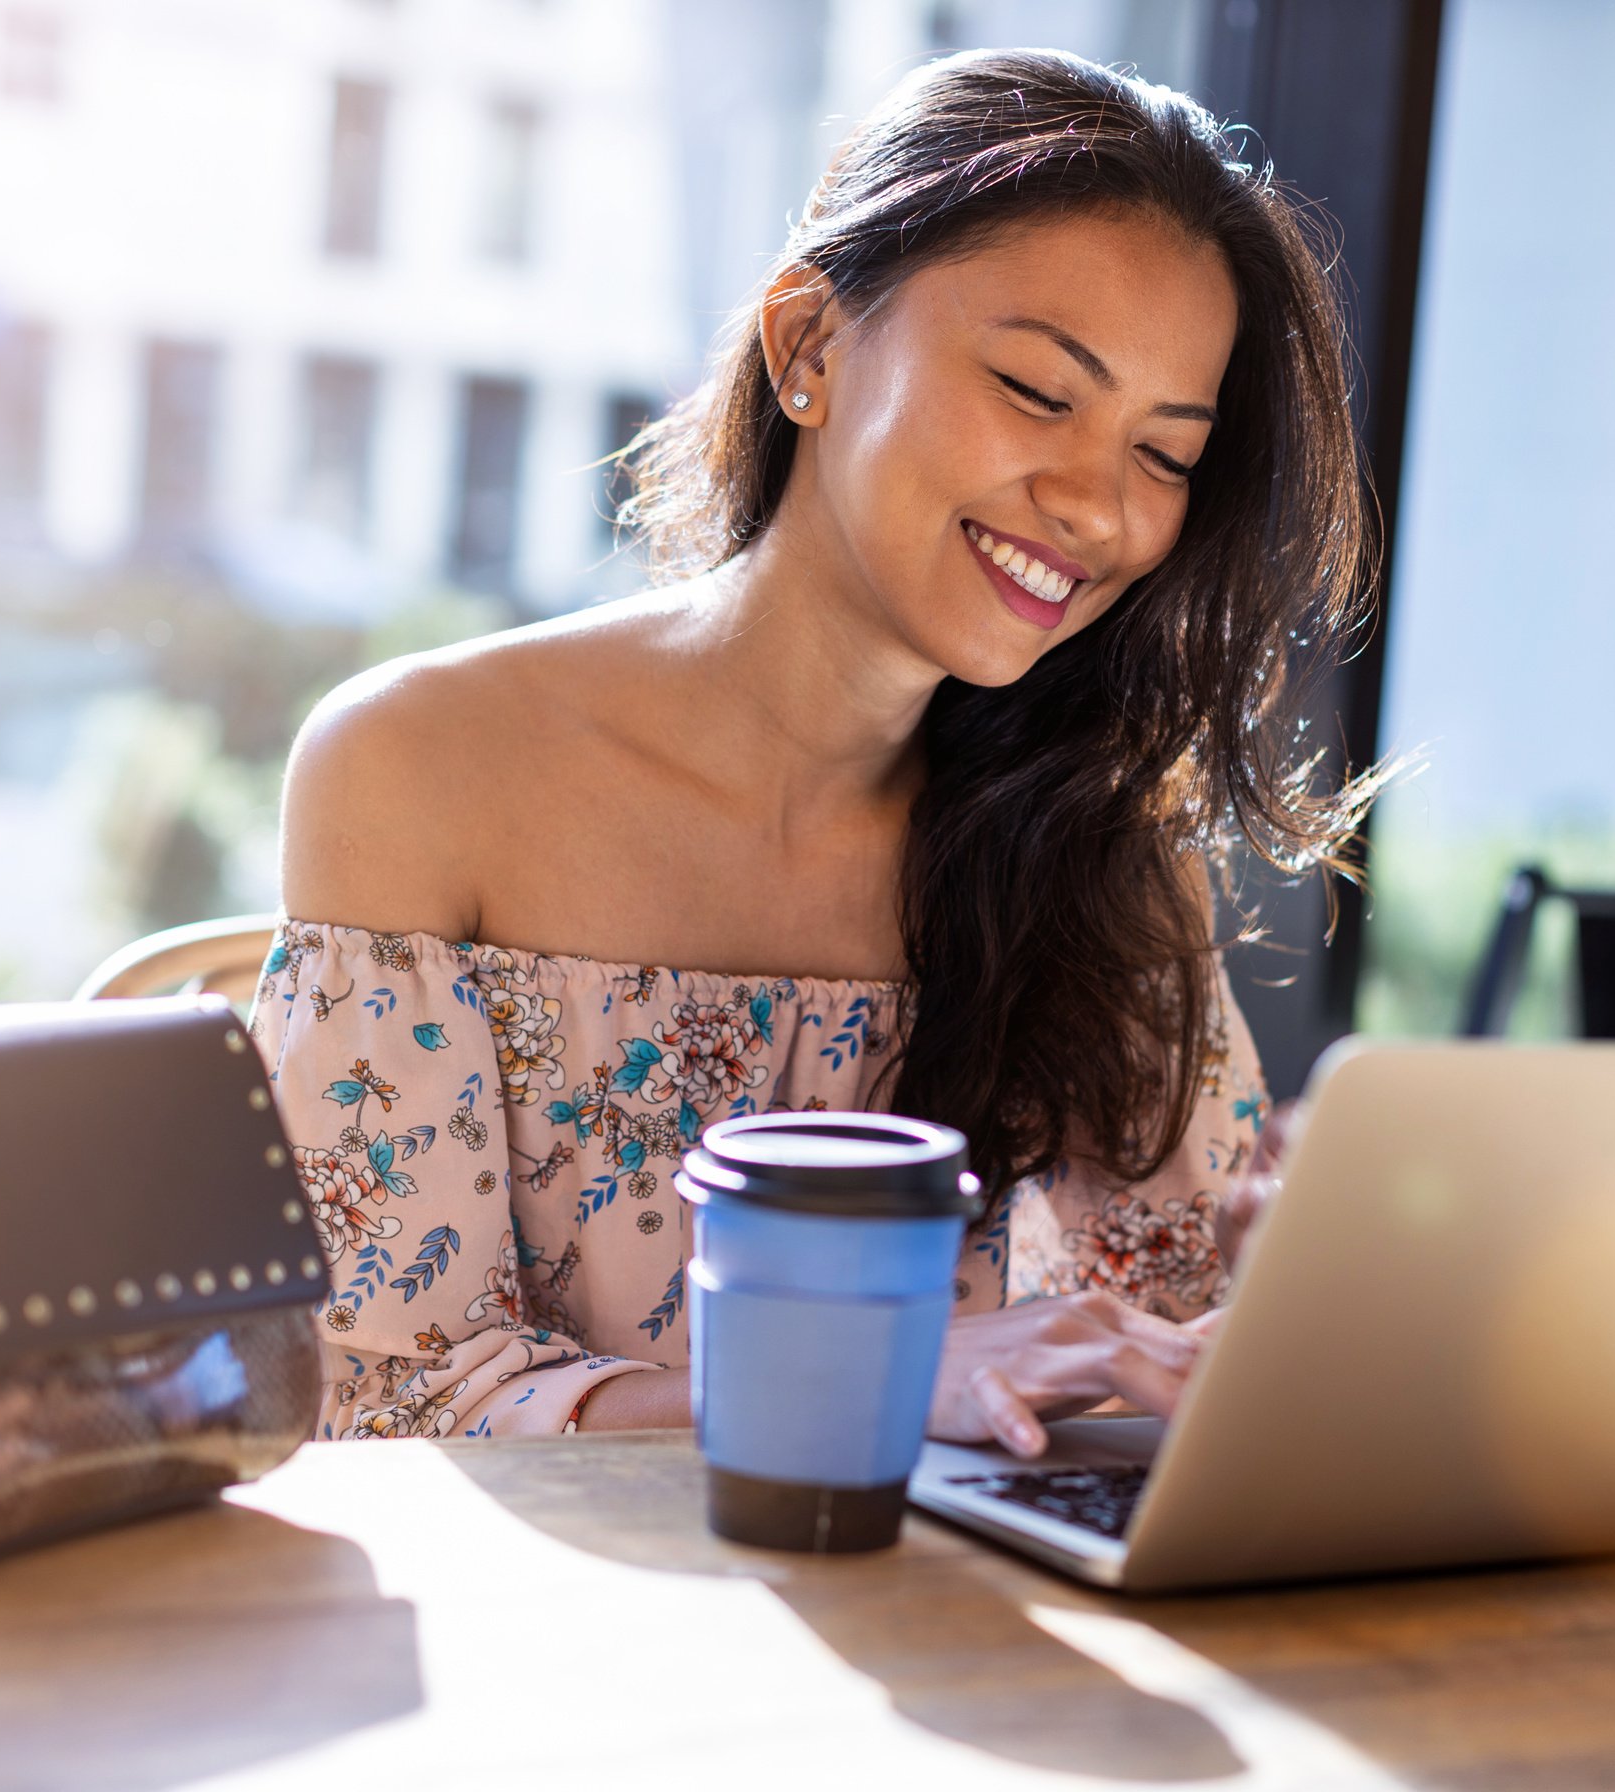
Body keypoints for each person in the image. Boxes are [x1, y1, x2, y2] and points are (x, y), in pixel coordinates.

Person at [257, 48, 1380, 1455]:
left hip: (941, 1635)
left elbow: (1157, 1348)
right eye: (1040, 392)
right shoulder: (416, 769)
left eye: (1165, 455)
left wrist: (1297, 1295)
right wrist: (879, 1381)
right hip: (544, 1643)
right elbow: (384, 1396)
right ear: (811, 348)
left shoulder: (1099, 857)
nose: (1098, 507)